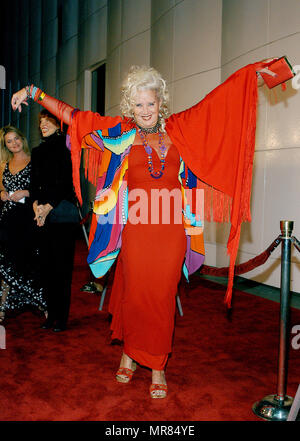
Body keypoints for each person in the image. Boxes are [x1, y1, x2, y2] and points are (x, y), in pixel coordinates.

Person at [11, 59, 271, 398]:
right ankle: (129, 355)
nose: (145, 109)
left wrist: (254, 77)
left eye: (151, 102)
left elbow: (218, 106)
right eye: (138, 104)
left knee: (162, 297)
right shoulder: (120, 133)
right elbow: (75, 117)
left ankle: (158, 364)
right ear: (129, 107)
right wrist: (35, 92)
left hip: (170, 231)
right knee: (134, 295)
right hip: (135, 230)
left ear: (161, 102)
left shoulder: (180, 128)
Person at [29, 109, 79, 332]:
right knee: (46, 267)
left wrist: (48, 206)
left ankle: (62, 318)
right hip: (43, 215)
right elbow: (34, 184)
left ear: (59, 123)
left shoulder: (68, 146)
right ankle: (51, 315)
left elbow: (67, 182)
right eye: (40, 121)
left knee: (62, 269)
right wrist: (36, 206)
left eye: (48, 120)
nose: (43, 124)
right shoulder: (37, 151)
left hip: (62, 213)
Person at [0, 125, 46, 322]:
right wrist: (2, 193)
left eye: (16, 139)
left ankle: (40, 301)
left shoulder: (34, 160)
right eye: (9, 141)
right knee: (4, 260)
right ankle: (3, 306)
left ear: (22, 138)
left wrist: (26, 193)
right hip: (7, 218)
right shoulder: (3, 164)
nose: (14, 143)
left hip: (27, 217)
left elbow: (43, 188)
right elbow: (1, 187)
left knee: (28, 261)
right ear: (6, 145)